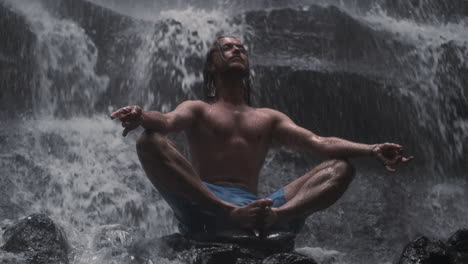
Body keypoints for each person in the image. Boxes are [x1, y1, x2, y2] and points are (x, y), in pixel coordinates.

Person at [111, 36, 413, 235]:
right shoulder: (198, 109)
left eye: (241, 47)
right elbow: (165, 120)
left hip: (260, 211)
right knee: (148, 140)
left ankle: (278, 218)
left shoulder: (268, 118)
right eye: (227, 47)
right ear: (212, 66)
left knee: (342, 167)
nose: (237, 50)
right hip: (204, 204)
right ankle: (228, 213)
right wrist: (142, 116)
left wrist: (371, 149)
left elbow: (319, 143)